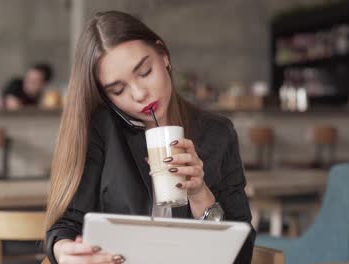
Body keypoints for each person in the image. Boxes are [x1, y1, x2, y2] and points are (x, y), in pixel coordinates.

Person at [45, 11, 255, 264]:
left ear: (163, 55)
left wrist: (200, 194)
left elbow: (241, 255)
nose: (139, 94)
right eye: (118, 89)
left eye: (144, 72)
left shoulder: (216, 134)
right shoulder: (100, 131)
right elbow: (66, 226)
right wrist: (65, 251)